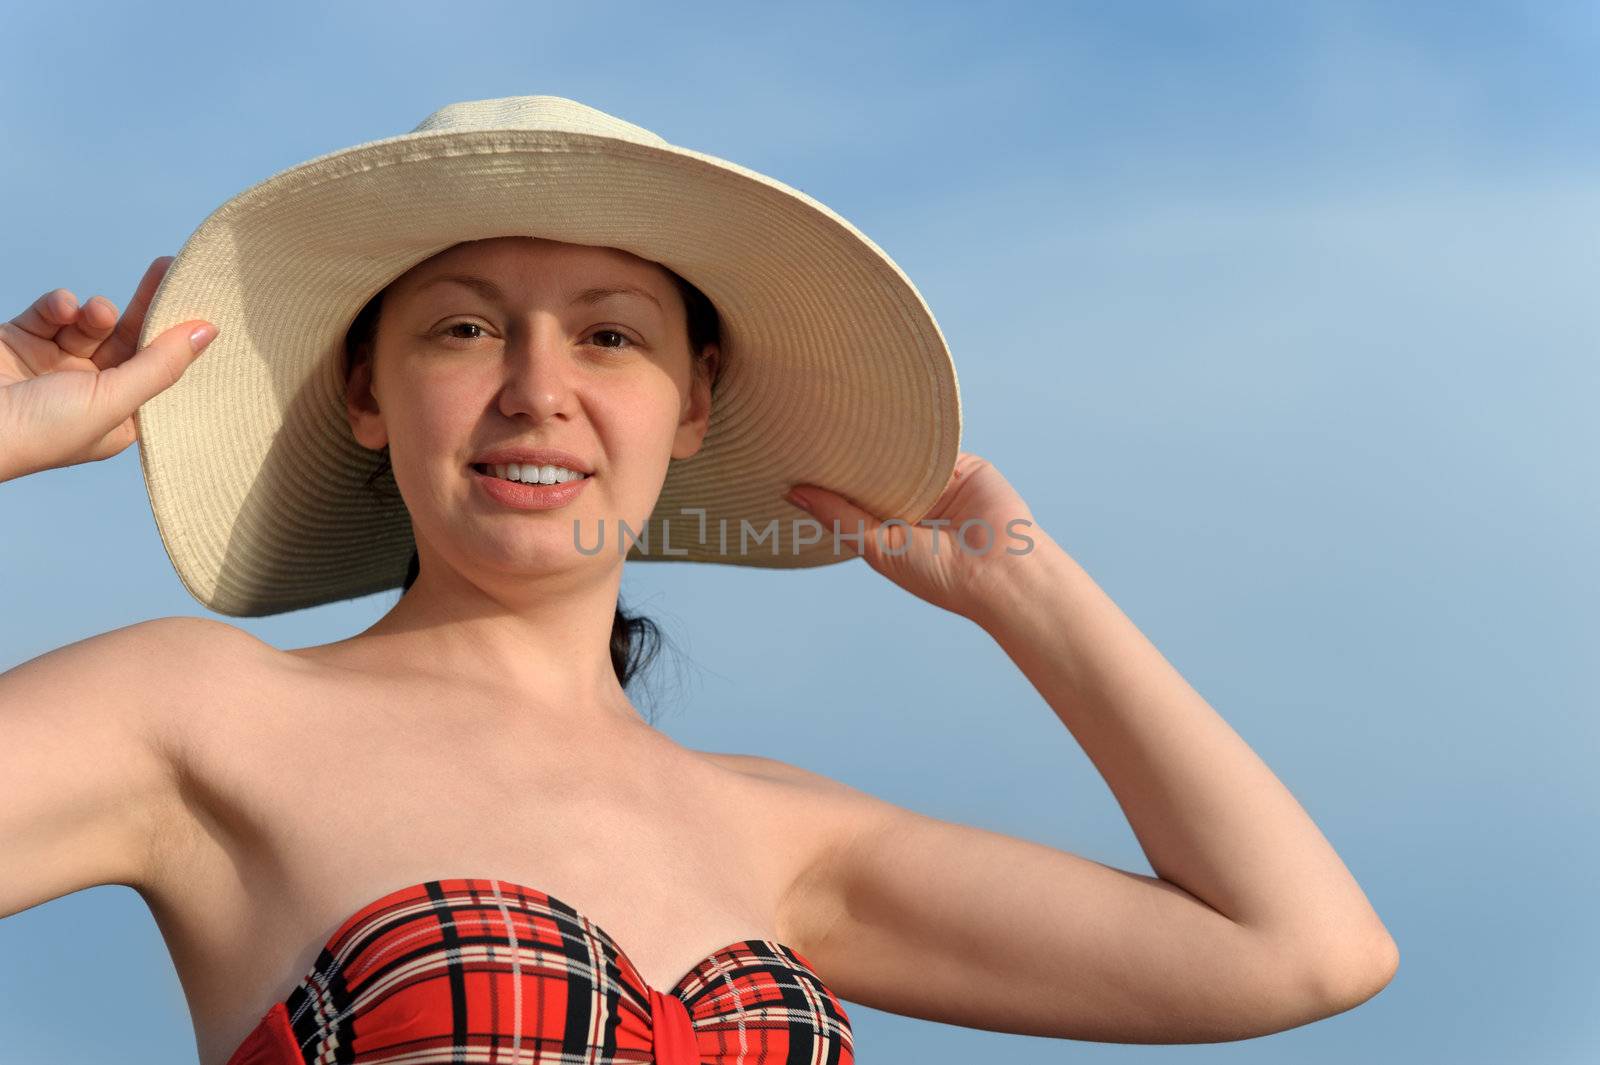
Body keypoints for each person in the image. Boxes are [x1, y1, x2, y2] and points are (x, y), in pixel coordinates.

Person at [0, 96, 1397, 1065]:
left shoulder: (782, 830)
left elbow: (1301, 947)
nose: (538, 391)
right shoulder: (199, 716)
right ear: (366, 391)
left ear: (694, 402)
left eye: (610, 337)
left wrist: (1023, 591)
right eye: (467, 327)